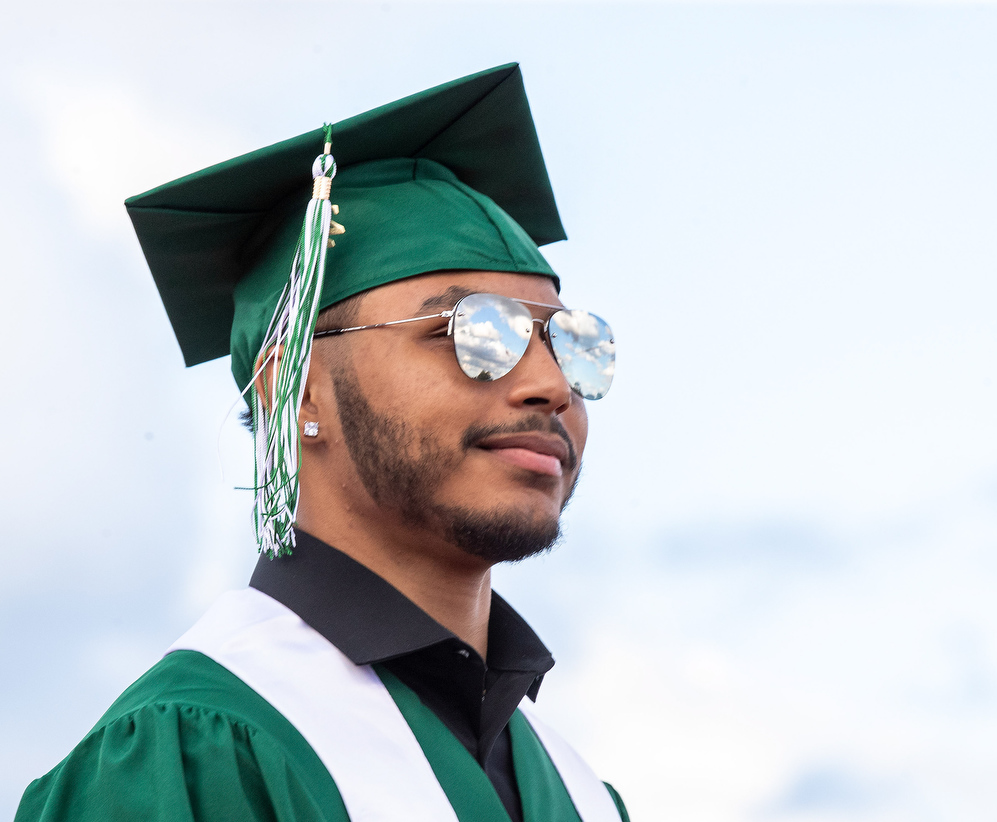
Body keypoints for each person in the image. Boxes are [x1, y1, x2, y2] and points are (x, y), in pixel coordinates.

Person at [15, 63, 626, 822]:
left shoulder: (581, 792)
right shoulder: (198, 752)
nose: (549, 383)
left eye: (569, 342)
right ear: (296, 383)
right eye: (471, 333)